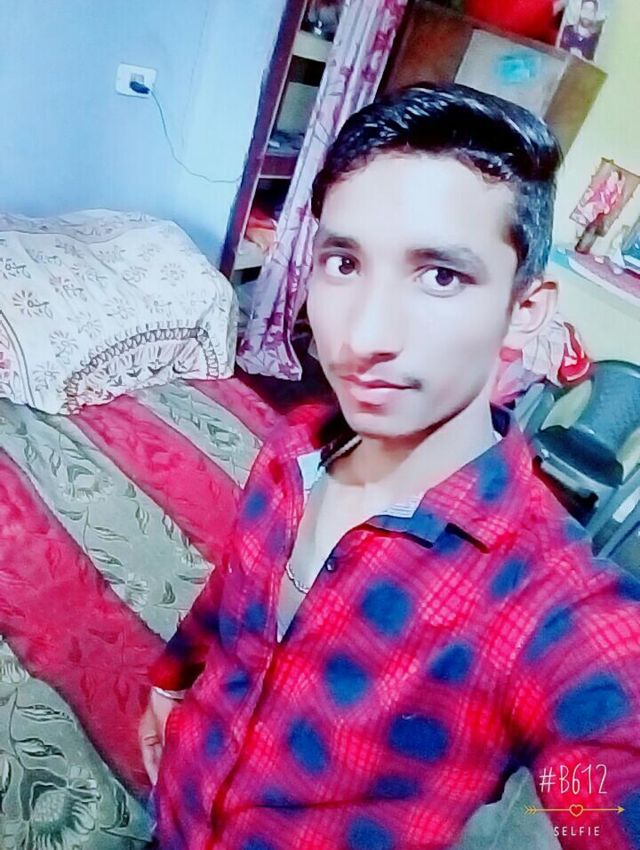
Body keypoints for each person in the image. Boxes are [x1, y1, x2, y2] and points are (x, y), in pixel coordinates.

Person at [139, 83, 640, 850]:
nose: (365, 334)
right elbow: (231, 593)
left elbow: (606, 788)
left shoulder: (547, 607)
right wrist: (172, 681)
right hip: (177, 808)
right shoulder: (293, 449)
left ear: (525, 310)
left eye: (441, 275)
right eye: (343, 262)